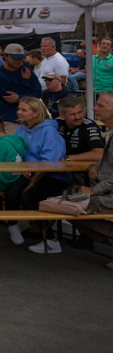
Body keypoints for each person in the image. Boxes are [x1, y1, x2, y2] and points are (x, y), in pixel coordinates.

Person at [3, 96, 68, 253]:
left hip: (53, 175)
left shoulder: (49, 131)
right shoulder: (20, 129)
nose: (19, 112)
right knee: (10, 193)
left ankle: (51, 241)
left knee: (29, 197)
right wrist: (23, 166)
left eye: (24, 110)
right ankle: (13, 226)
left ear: (36, 113)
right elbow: (18, 152)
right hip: (30, 173)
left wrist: (31, 182)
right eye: (19, 109)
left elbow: (49, 162)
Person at [72, 92, 113, 260]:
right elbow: (105, 159)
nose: (94, 108)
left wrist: (94, 190)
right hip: (106, 193)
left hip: (108, 196)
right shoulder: (110, 132)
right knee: (69, 201)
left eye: (100, 106)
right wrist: (93, 166)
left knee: (70, 206)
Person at [0, 42, 41, 125]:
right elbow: (11, 98)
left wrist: (19, 97)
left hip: (28, 119)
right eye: (15, 58)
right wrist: (25, 81)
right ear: (5, 56)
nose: (18, 61)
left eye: (20, 58)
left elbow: (38, 93)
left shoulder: (27, 71)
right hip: (6, 119)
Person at [55, 96, 104, 168]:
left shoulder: (89, 125)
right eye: (72, 114)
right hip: (58, 167)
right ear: (62, 115)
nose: (78, 117)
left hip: (81, 169)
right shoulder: (56, 123)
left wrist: (68, 158)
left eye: (80, 112)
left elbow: (99, 153)